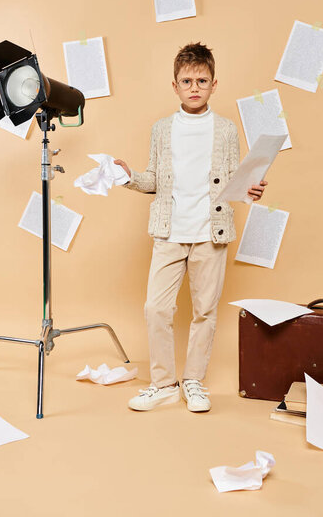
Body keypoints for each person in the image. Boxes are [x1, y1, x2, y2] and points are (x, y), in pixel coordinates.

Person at [114, 42, 267, 412]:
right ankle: (164, 383)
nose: (194, 86)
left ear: (214, 84)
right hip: (169, 231)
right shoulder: (162, 130)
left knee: (205, 310)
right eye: (187, 80)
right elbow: (154, 179)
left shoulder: (227, 130)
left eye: (202, 80)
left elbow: (233, 178)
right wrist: (128, 177)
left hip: (210, 233)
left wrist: (250, 189)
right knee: (156, 308)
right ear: (175, 85)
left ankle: (194, 380)